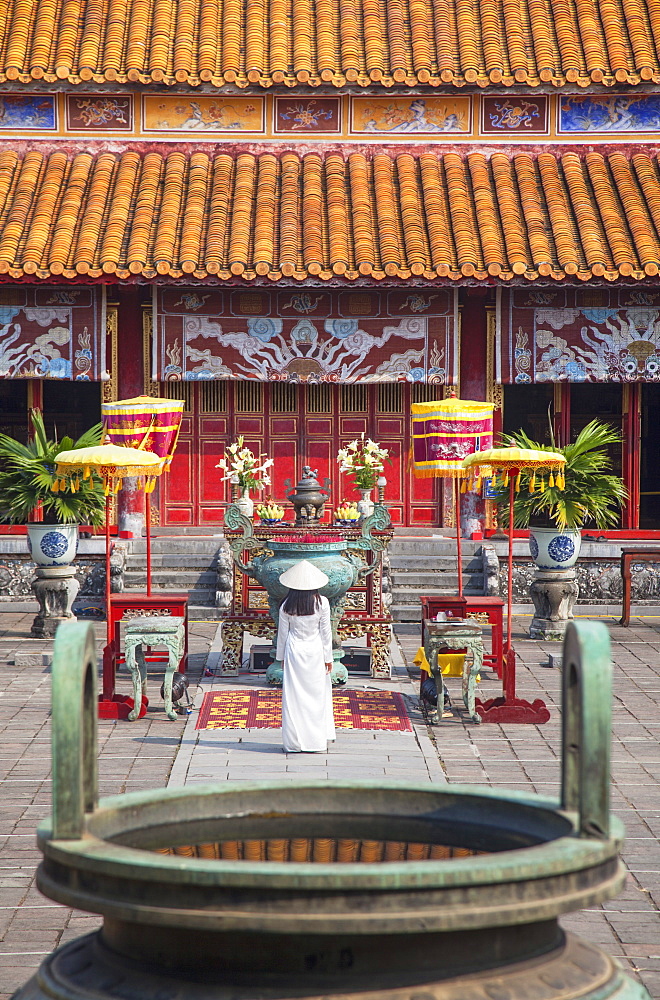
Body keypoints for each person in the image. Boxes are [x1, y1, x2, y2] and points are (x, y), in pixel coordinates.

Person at [276, 560, 336, 753]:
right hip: (315, 650)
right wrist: (329, 657)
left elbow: (282, 635)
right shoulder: (322, 603)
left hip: (294, 651)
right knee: (317, 695)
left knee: (293, 697)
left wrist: (281, 658)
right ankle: (316, 741)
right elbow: (326, 633)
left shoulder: (286, 605)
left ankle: (294, 742)